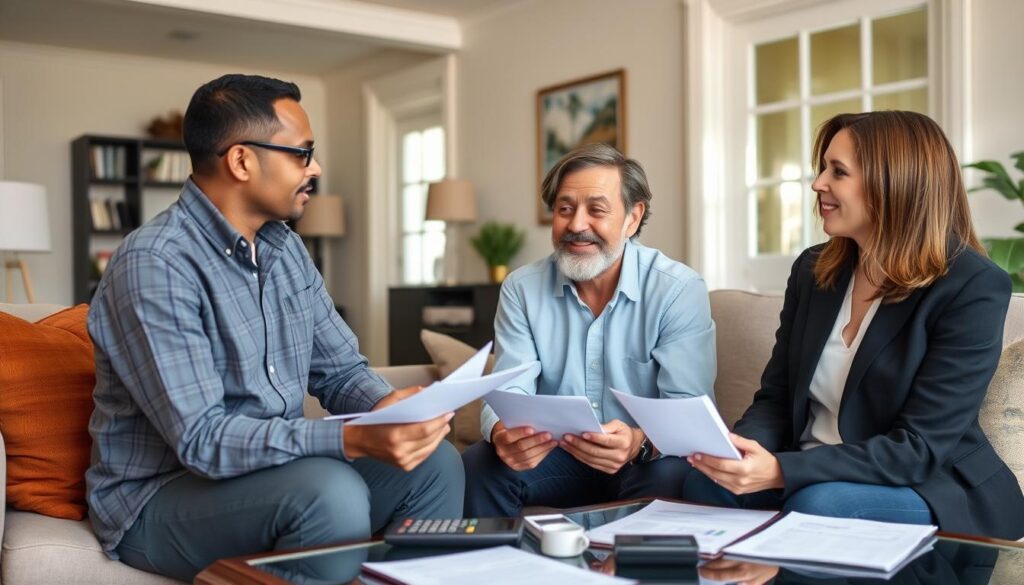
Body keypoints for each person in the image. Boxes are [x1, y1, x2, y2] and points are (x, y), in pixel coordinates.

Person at [86, 74, 464, 580]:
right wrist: (353, 439)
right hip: (159, 495)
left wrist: (388, 411)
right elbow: (201, 440)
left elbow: (340, 371)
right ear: (242, 161)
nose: (316, 168)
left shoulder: (285, 250)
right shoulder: (155, 263)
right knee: (331, 493)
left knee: (437, 463)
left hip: (272, 473)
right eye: (302, 154)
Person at [683, 111, 1024, 539]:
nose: (818, 184)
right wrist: (741, 450)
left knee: (819, 504)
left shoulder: (971, 286)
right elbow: (777, 396)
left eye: (837, 172)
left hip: (926, 481)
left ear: (892, 185)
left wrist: (781, 471)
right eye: (823, 168)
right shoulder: (813, 270)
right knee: (702, 481)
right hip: (812, 469)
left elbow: (919, 448)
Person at [462, 143, 716, 516]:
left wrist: (638, 442)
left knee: (677, 476)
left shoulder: (677, 289)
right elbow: (507, 387)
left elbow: (688, 410)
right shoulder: (521, 288)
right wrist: (503, 431)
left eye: (596, 210)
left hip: (644, 459)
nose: (577, 225)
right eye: (565, 209)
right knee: (480, 464)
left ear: (632, 218)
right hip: (559, 454)